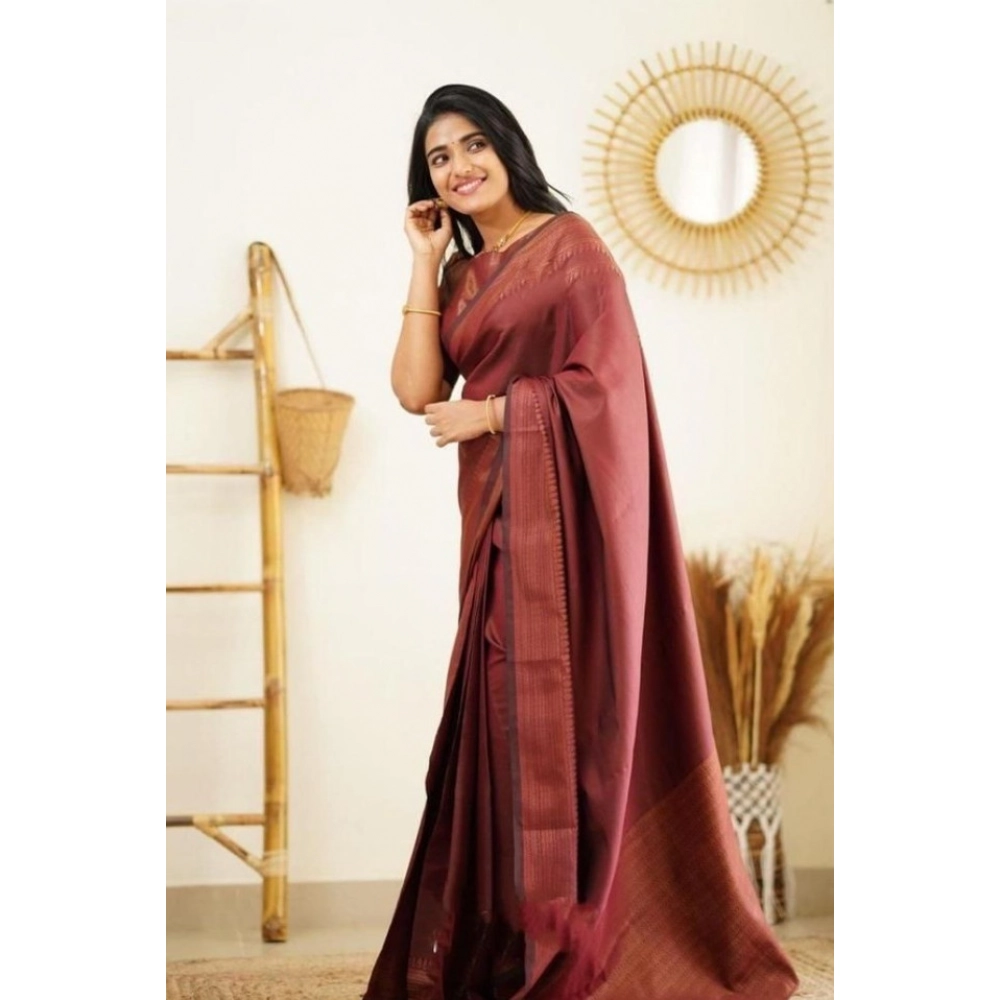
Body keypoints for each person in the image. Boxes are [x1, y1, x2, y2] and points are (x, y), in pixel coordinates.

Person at [364, 83, 800, 1000]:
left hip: (569, 542)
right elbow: (414, 392)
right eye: (439, 157)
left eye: (473, 145)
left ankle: (579, 934)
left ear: (507, 146)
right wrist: (422, 260)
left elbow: (609, 388)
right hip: (494, 528)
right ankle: (512, 940)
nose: (459, 167)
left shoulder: (572, 248)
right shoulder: (459, 275)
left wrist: (494, 413)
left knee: (566, 726)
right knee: (498, 729)